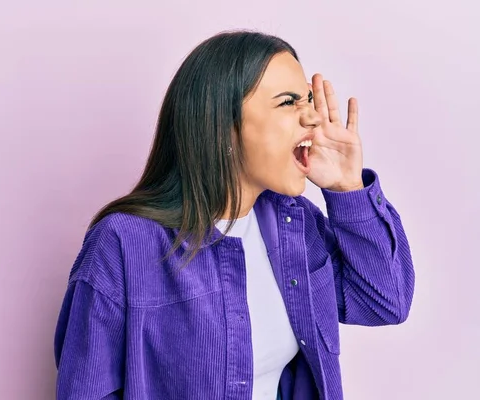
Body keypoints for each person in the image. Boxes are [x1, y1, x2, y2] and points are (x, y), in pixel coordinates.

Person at [53, 30, 415, 400]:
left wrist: (347, 190)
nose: (313, 118)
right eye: (289, 102)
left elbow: (385, 302)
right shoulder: (123, 244)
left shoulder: (295, 224)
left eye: (308, 98)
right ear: (224, 127)